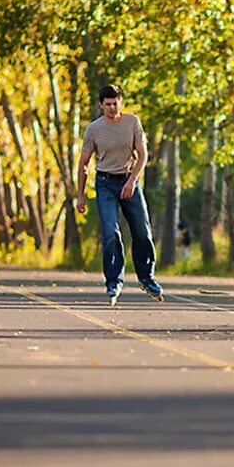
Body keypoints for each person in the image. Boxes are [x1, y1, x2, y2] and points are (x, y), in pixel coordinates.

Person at [73, 84, 164, 305]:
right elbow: (83, 164)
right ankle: (114, 281)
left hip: (129, 180)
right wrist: (81, 196)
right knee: (111, 233)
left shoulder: (132, 122)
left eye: (115, 103)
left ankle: (147, 278)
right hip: (105, 184)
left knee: (142, 231)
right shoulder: (93, 129)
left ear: (120, 102)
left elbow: (142, 155)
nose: (112, 108)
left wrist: (132, 180)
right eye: (108, 104)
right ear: (101, 105)